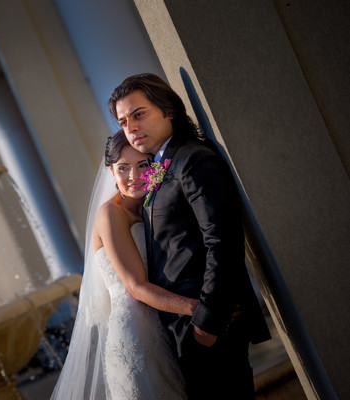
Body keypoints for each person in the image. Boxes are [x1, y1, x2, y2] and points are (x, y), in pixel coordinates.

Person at [108, 73, 271, 399]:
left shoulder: (193, 160)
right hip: (182, 327)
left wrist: (206, 323)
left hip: (209, 324)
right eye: (124, 121)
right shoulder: (162, 164)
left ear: (169, 110)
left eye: (139, 114)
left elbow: (222, 242)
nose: (131, 127)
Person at [51, 130, 197, 400]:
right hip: (135, 336)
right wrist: (198, 309)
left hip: (162, 326)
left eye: (143, 165)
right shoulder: (110, 213)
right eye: (123, 168)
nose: (134, 176)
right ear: (111, 170)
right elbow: (136, 286)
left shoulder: (149, 205)